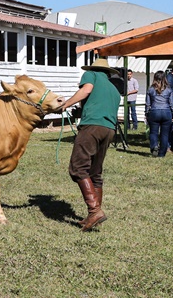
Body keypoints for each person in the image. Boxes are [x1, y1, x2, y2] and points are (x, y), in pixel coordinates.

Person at [61, 58, 121, 232]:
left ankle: (95, 211)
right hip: (109, 129)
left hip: (92, 127)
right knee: (95, 172)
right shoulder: (114, 89)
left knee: (78, 168)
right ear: (108, 73)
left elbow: (86, 91)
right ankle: (93, 214)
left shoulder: (91, 75)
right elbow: (101, 106)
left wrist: (66, 104)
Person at [145, 71, 173, 158]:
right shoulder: (168, 89)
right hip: (166, 112)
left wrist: (147, 114)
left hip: (154, 111)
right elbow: (171, 104)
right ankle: (162, 154)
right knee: (165, 134)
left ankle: (154, 146)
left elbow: (147, 104)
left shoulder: (150, 89)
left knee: (153, 132)